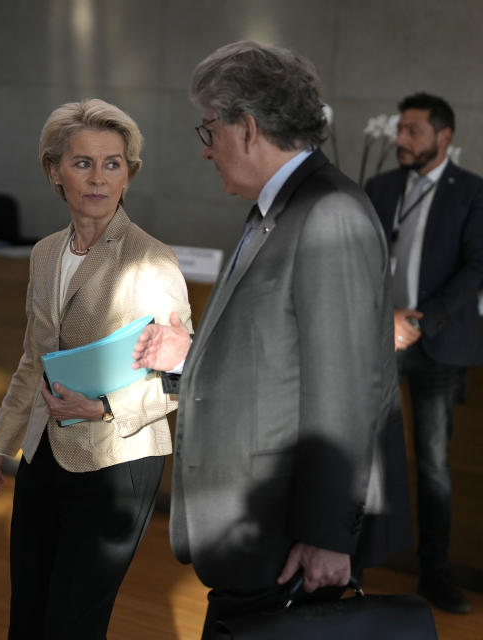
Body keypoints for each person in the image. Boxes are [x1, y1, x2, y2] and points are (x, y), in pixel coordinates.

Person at [132, 41, 411, 638]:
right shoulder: (277, 209)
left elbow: (343, 391)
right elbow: (277, 360)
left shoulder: (328, 212)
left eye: (209, 129)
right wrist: (192, 358)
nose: (206, 150)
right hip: (258, 527)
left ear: (248, 127)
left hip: (289, 536)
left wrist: (327, 537)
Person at [0, 99, 192, 638]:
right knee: (28, 613)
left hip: (118, 460)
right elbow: (34, 356)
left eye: (113, 163)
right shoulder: (45, 253)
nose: (98, 178)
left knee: (72, 624)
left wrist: (104, 406)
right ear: (55, 172)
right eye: (83, 163)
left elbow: (183, 377)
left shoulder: (152, 261)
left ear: (128, 175)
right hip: (45, 451)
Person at [364, 92, 483, 614]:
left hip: (439, 344)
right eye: (400, 130)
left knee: (433, 464)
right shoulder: (380, 187)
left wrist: (420, 321)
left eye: (413, 131)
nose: (401, 139)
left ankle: (434, 574)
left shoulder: (472, 193)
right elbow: (361, 260)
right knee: (364, 454)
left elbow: (477, 268)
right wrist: (382, 320)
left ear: (444, 137)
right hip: (379, 340)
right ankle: (350, 562)